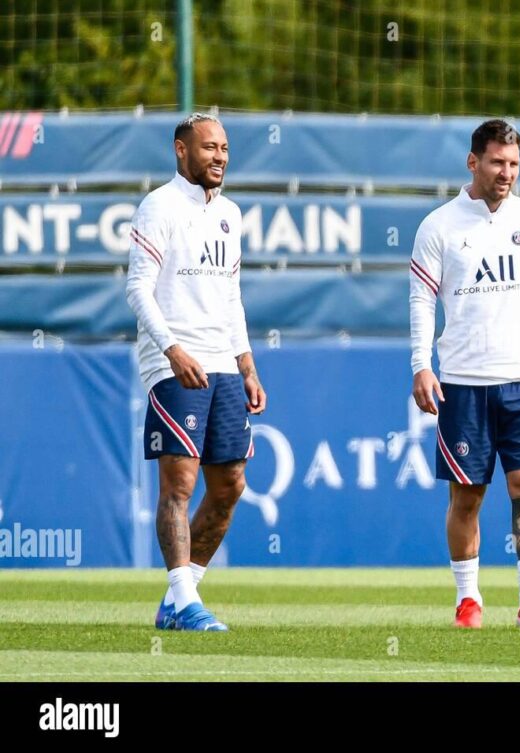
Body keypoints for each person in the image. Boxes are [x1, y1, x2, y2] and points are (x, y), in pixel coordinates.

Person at [409, 119, 520, 629]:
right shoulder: (438, 226)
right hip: (463, 379)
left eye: (515, 164)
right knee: (468, 495)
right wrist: (420, 364)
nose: (507, 173)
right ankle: (468, 598)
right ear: (473, 162)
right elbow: (421, 299)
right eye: (498, 162)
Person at [126, 113, 266, 632]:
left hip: (223, 363)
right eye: (209, 147)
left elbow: (231, 298)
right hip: (174, 363)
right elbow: (138, 288)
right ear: (181, 150)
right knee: (179, 484)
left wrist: (247, 365)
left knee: (230, 485)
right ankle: (186, 603)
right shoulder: (158, 206)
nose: (220, 157)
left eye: (225, 148)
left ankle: (179, 597)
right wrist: (172, 349)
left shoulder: (229, 214)